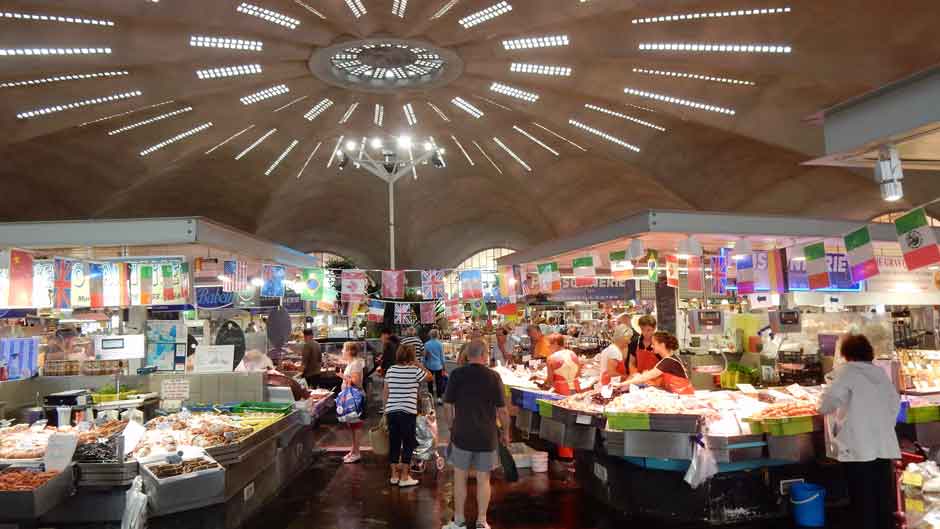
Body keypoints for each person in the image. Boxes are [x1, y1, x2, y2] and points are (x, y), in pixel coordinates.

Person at [818, 334, 900, 529]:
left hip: (858, 449)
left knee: (862, 502)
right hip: (883, 446)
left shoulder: (846, 372)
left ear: (846, 354)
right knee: (882, 500)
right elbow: (894, 404)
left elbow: (826, 404)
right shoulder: (879, 373)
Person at [442, 341, 510, 529]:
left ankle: (459, 520)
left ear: (467, 355)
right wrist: (506, 433)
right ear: (485, 355)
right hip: (486, 436)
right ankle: (481, 521)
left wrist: (450, 427)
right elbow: (503, 411)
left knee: (460, 477)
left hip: (462, 434)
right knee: (483, 478)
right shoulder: (494, 376)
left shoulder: (456, 374)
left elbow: (447, 406)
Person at [383, 343, 432, 488]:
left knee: (394, 442)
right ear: (411, 357)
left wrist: (385, 410)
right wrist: (417, 363)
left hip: (392, 411)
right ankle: (404, 476)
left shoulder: (391, 370)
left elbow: (386, 392)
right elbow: (430, 377)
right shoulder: (414, 371)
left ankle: (393, 476)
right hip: (408, 412)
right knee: (408, 443)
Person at [620, 332, 692, 394]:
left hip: (683, 396)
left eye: (654, 344)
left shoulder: (668, 361)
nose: (651, 346)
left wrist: (621, 384)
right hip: (677, 393)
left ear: (662, 345)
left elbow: (644, 377)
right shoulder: (670, 357)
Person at [341, 341, 366, 464]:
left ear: (350, 351)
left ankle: (357, 453)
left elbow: (356, 382)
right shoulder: (352, 363)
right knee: (352, 425)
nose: (342, 351)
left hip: (354, 398)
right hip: (350, 398)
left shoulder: (355, 364)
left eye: (343, 349)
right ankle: (353, 450)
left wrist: (342, 376)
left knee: (355, 426)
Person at [423, 329, 446, 404]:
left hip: (429, 365)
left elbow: (425, 356)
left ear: (430, 335)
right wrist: (444, 367)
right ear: (437, 335)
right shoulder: (440, 344)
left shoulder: (427, 344)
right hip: (438, 365)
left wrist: (424, 364)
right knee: (439, 382)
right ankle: (439, 398)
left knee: (430, 382)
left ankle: (431, 397)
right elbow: (442, 357)